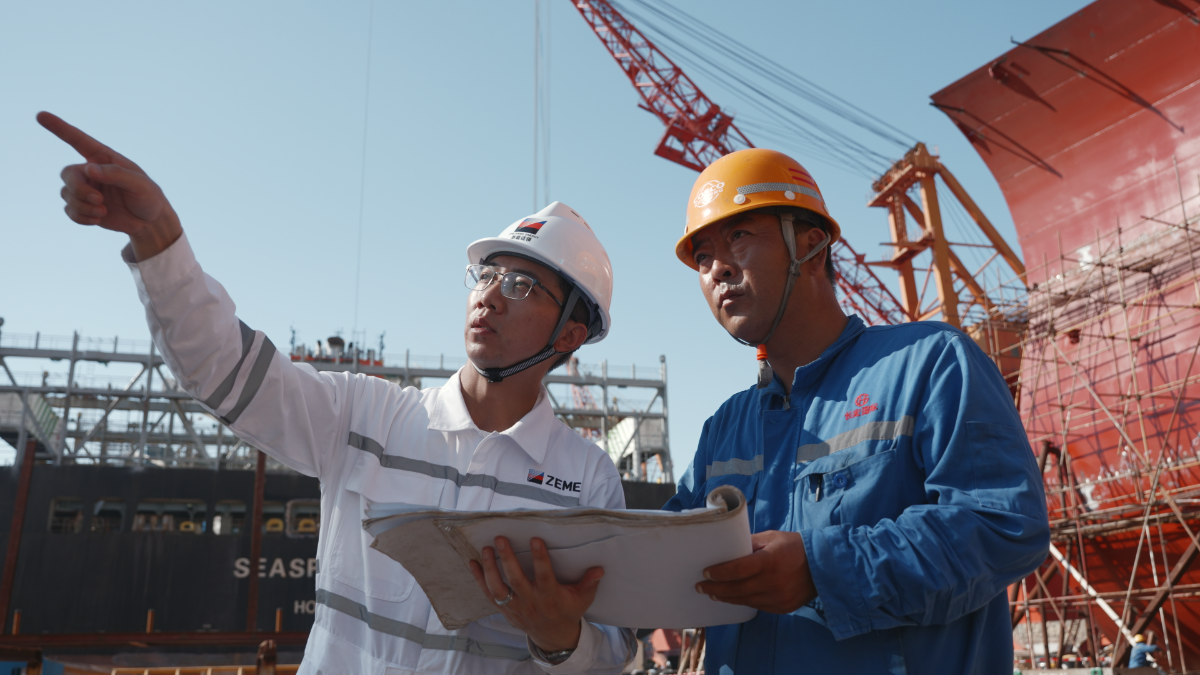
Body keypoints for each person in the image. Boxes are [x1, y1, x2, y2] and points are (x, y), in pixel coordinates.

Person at [38, 111, 635, 675]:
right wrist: (156, 236)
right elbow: (220, 365)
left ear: (570, 336)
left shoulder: (589, 480)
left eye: (522, 284)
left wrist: (563, 639)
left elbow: (618, 653)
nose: (490, 296)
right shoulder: (365, 418)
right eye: (486, 275)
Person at [663, 148, 1050, 673]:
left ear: (812, 246)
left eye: (739, 236)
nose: (718, 269)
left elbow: (1003, 526)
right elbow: (662, 559)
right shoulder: (724, 429)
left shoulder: (930, 364)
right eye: (702, 256)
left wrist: (821, 570)